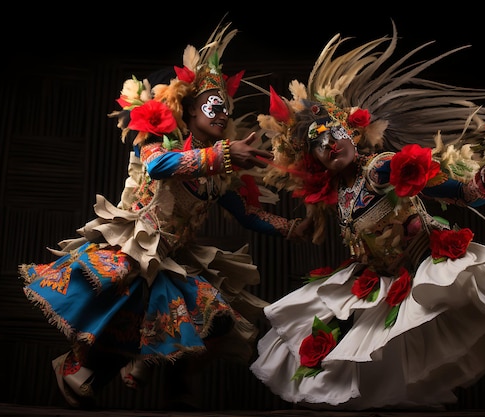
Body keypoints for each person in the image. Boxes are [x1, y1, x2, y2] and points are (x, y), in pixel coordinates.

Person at [250, 20, 485, 411]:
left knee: (479, 312)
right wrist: (271, 220)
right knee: (326, 325)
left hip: (426, 259)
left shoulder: (380, 167)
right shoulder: (338, 194)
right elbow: (315, 228)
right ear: (313, 160)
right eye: (319, 145)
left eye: (335, 134)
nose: (331, 145)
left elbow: (449, 190)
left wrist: (479, 183)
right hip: (383, 278)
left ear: (352, 134)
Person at [18, 21, 305, 409]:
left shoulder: (218, 171)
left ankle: (175, 386)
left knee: (216, 320)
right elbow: (159, 167)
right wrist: (220, 155)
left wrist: (295, 228)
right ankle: (80, 363)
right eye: (213, 105)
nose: (222, 114)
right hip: (136, 247)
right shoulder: (160, 142)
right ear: (188, 107)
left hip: (172, 258)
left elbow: (248, 213)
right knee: (123, 302)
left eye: (226, 108)